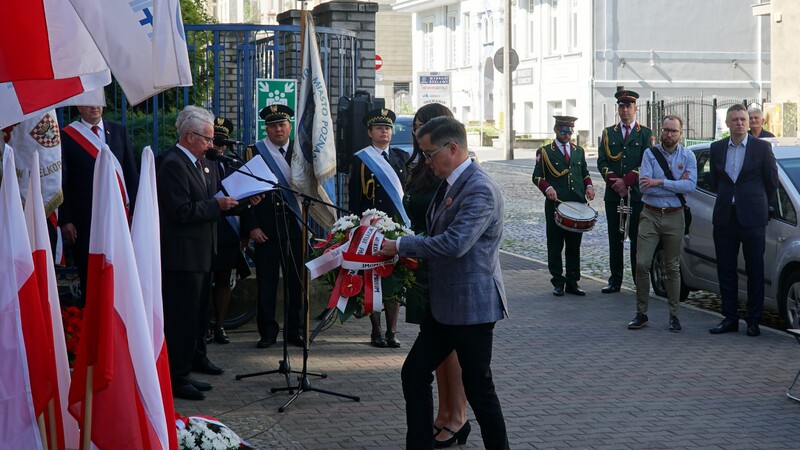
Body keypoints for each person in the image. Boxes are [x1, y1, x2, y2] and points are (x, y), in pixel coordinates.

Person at [380, 116, 509, 450]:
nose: (426, 161)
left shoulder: (479, 187)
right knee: (414, 373)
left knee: (480, 389)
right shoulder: (452, 182)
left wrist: (401, 246)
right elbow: (436, 233)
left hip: (472, 307)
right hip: (445, 306)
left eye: (429, 153)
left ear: (453, 148)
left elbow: (455, 244)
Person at [156, 105, 247, 401]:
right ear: (189, 135)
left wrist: (241, 202)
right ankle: (176, 376)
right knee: (181, 317)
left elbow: (212, 202)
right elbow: (179, 211)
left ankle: (195, 360)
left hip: (203, 252)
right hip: (181, 256)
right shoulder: (172, 163)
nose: (211, 145)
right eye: (207, 139)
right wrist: (216, 206)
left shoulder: (201, 163)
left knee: (197, 316)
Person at [403, 104, 468, 448]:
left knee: (450, 350)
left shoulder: (454, 173)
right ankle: (443, 416)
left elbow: (456, 234)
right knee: (433, 350)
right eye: (416, 128)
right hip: (421, 258)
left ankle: (455, 415)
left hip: (438, 259)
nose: (418, 134)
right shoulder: (419, 167)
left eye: (424, 127)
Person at [708, 104, 778, 337]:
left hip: (752, 218)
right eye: (735, 119)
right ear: (727, 123)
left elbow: (771, 182)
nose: (739, 123)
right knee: (726, 269)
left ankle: (753, 319)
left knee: (754, 269)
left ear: (749, 122)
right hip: (725, 216)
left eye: (743, 119)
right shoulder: (717, 148)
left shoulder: (761, 148)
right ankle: (729, 317)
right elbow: (716, 181)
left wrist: (756, 202)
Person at [60, 104, 139, 302]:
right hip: (85, 219)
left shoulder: (119, 130)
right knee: (90, 273)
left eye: (98, 101)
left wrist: (136, 213)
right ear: (79, 106)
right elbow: (63, 181)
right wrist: (66, 219)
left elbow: (130, 173)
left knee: (120, 272)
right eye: (89, 101)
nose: (95, 106)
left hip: (118, 216)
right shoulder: (67, 136)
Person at [241, 104, 305, 349]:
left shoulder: (301, 151)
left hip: (294, 224)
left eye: (282, 124)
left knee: (296, 282)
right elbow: (244, 193)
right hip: (265, 227)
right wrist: (252, 227)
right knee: (267, 282)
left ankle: (295, 331)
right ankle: (267, 332)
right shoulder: (254, 152)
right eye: (272, 125)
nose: (278, 129)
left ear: (289, 126)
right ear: (266, 128)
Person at [628, 115, 697, 332]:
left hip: (675, 216)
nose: (669, 135)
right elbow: (645, 186)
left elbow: (691, 186)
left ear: (681, 133)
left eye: (673, 131)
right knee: (642, 263)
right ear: (661, 131)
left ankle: (674, 315)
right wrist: (676, 183)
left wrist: (660, 181)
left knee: (672, 267)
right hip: (650, 214)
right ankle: (641, 313)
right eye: (666, 130)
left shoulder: (688, 156)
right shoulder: (650, 153)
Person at [348, 107, 409, 348]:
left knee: (394, 279)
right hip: (370, 228)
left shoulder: (400, 157)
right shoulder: (360, 159)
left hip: (396, 227)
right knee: (372, 278)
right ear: (370, 132)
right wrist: (354, 227)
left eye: (388, 128)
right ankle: (376, 330)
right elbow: (354, 198)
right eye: (379, 128)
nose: (385, 131)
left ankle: (392, 331)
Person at [597, 89, 654, 294]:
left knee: (637, 238)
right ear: (618, 109)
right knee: (615, 237)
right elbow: (602, 162)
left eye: (629, 106)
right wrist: (616, 183)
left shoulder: (645, 134)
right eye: (622, 106)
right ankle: (615, 280)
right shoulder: (607, 133)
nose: (625, 110)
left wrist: (627, 181)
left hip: (636, 194)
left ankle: (639, 281)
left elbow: (647, 162)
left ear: (635, 109)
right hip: (614, 195)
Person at [532, 115, 595, 297]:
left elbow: (584, 172)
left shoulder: (578, 151)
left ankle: (573, 281)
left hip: (576, 204)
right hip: (556, 204)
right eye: (563, 131)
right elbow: (537, 176)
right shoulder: (544, 152)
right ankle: (558, 281)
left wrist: (589, 186)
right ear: (555, 130)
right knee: (555, 244)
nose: (567, 135)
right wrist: (548, 188)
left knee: (574, 245)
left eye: (570, 131)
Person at [207, 117, 249, 345]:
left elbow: (244, 197)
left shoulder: (231, 164)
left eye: (222, 141)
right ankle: (202, 327)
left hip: (226, 231)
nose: (219, 146)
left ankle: (220, 327)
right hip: (205, 229)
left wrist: (245, 232)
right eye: (215, 140)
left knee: (224, 279)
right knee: (204, 281)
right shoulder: (199, 162)